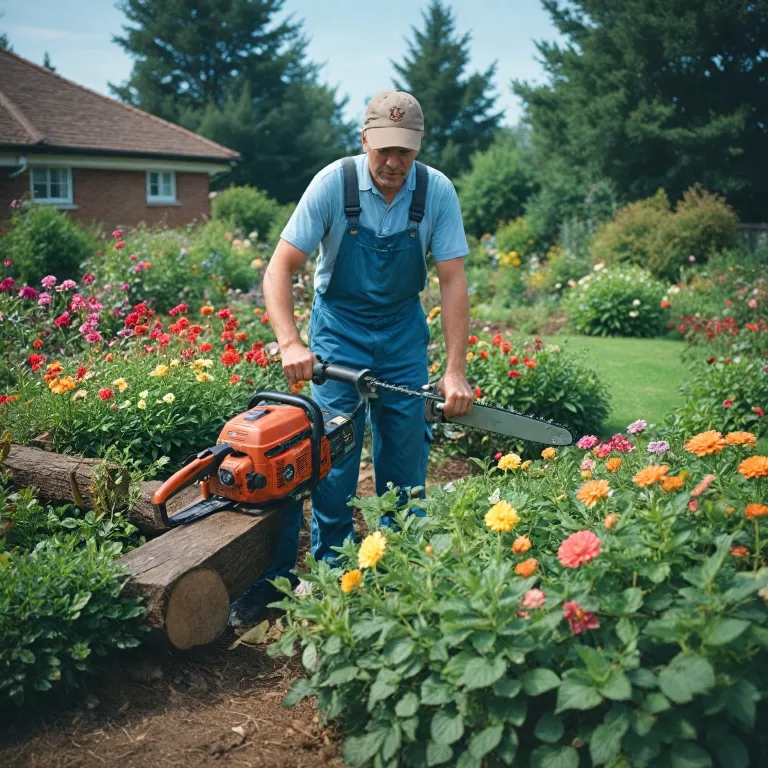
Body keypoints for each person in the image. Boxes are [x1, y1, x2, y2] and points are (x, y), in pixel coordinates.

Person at [229, 90, 473, 626]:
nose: (393, 162)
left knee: (405, 467)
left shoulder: (436, 191)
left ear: (418, 147)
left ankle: (402, 579)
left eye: (404, 151)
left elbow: (453, 280)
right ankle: (335, 582)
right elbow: (279, 268)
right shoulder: (332, 185)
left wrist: (454, 370)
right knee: (333, 465)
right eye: (383, 149)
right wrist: (291, 343)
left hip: (402, 337)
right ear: (365, 140)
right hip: (338, 333)